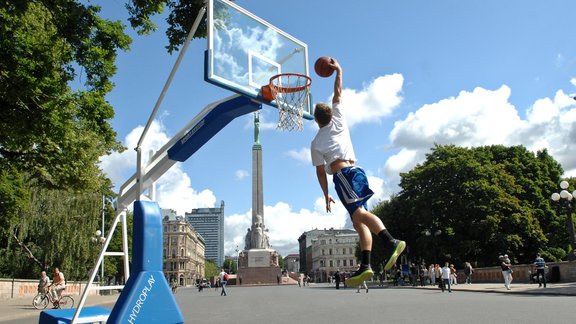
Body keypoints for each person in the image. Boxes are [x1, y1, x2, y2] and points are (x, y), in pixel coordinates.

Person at [310, 58, 405, 287]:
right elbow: (338, 93)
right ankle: (366, 265)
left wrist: (325, 195)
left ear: (316, 120)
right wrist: (339, 71)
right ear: (330, 114)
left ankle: (392, 241)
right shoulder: (339, 120)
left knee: (359, 216)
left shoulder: (316, 142)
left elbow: (321, 173)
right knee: (358, 220)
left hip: (343, 176)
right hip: (357, 171)